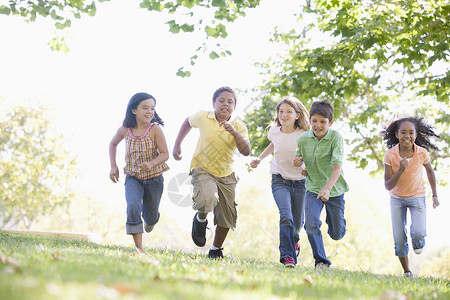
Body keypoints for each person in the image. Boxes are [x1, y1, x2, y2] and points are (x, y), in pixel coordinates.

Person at [172, 86, 250, 259]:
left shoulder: (239, 126)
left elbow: (246, 151)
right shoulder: (203, 116)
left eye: (230, 102)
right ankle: (200, 219)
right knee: (207, 197)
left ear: (235, 107)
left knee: (227, 216)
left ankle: (215, 249)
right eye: (221, 100)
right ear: (213, 103)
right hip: (202, 169)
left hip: (226, 174)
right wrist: (177, 144)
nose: (225, 104)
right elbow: (187, 122)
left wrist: (234, 133)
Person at [250, 96, 310, 268]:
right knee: (286, 217)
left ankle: (295, 240)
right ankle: (288, 256)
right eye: (281, 111)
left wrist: (305, 165)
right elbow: (273, 144)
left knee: (298, 223)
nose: (284, 115)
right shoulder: (274, 131)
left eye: (289, 112)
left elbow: (310, 154)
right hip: (279, 180)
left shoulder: (304, 134)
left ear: (297, 115)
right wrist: (260, 159)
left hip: (300, 182)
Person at [109, 92, 169, 253]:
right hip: (133, 177)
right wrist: (113, 166)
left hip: (154, 179)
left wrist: (151, 163)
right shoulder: (124, 130)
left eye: (152, 108)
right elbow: (113, 144)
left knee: (150, 217)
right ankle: (139, 248)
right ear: (134, 110)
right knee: (133, 205)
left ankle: (152, 218)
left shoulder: (154, 129)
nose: (150, 112)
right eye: (145, 108)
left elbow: (165, 154)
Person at [293, 99, 349, 270]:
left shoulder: (335, 138)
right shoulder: (303, 139)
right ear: (309, 120)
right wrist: (300, 165)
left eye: (322, 122)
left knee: (336, 234)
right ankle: (321, 261)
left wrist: (327, 188)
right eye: (314, 121)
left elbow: (337, 167)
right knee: (310, 224)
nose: (318, 125)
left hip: (335, 190)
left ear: (330, 123)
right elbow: (300, 159)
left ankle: (336, 223)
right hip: (312, 188)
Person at [382, 117, 440, 278]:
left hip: (417, 197)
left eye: (411, 132)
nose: (407, 136)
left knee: (419, 234)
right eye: (403, 132)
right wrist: (400, 169)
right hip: (396, 199)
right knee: (399, 238)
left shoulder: (422, 153)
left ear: (416, 135)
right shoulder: (390, 155)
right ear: (396, 134)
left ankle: (417, 240)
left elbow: (429, 172)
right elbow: (387, 185)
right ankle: (407, 271)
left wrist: (435, 195)